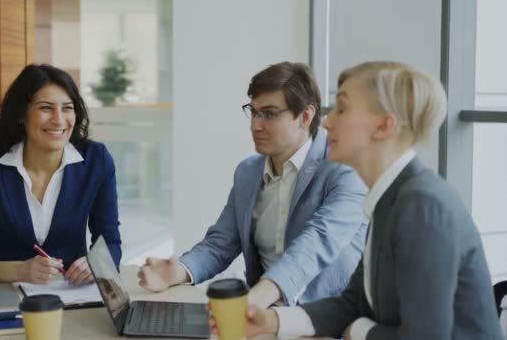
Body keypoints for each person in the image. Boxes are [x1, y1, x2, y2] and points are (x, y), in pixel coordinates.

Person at [210, 61, 504, 339]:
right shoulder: (389, 200)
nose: (325, 123)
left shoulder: (421, 205)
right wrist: (270, 321)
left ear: (383, 127)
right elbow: (352, 304)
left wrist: (359, 331)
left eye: (341, 108)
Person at [138, 62, 368, 308]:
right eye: (254, 111)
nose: (255, 125)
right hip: (264, 315)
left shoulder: (344, 168)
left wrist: (255, 300)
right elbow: (221, 243)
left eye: (269, 114)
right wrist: (177, 271)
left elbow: (318, 242)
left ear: (305, 116)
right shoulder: (248, 172)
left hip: (323, 319)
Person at [0, 64, 122, 285]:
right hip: (7, 296)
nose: (59, 120)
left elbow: (110, 243)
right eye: (46, 108)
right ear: (21, 114)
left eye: (67, 108)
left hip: (72, 298)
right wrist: (20, 271)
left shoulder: (96, 161)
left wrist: (96, 264)